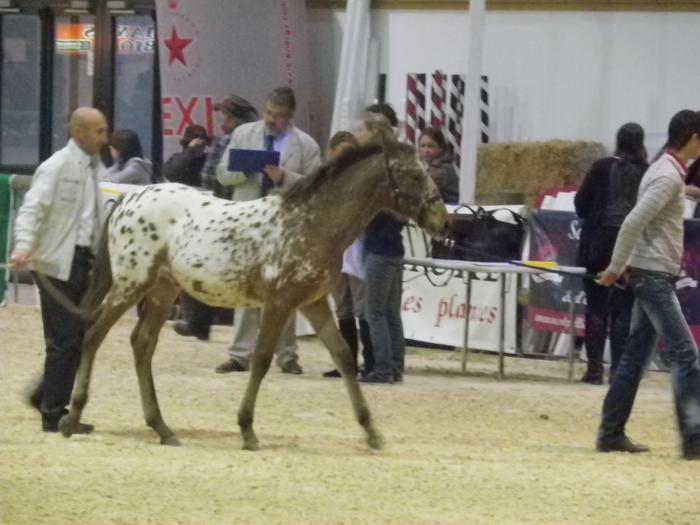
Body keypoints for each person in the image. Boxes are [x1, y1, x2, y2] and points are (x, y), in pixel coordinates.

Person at [595, 109, 700, 459]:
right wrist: (614, 267)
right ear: (693, 137)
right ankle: (694, 439)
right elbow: (632, 223)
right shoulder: (667, 176)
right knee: (686, 355)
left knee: (633, 358)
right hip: (653, 277)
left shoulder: (666, 171)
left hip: (651, 273)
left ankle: (610, 433)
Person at [11, 107, 108, 433]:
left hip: (81, 262)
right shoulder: (55, 167)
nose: (104, 137)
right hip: (55, 263)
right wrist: (23, 245)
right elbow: (31, 209)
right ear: (79, 133)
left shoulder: (96, 168)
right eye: (98, 131)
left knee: (75, 337)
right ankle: (54, 413)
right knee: (65, 339)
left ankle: (44, 396)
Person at [214, 86, 321, 375]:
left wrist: (285, 176)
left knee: (284, 293)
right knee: (246, 286)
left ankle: (286, 354)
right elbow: (222, 173)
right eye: (269, 113)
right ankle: (240, 354)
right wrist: (246, 169)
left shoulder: (306, 145)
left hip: (284, 227)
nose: (272, 120)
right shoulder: (244, 134)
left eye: (280, 116)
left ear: (291, 116)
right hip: (248, 220)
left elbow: (316, 189)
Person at [172, 95, 258, 341]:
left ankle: (199, 320)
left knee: (198, 260)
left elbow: (211, 177)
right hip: (237, 206)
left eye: (227, 116)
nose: (223, 121)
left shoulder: (228, 141)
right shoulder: (253, 138)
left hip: (223, 207)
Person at [575, 123, 648, 385]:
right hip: (631, 248)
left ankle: (594, 370)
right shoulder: (647, 172)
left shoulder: (601, 167)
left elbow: (581, 205)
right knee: (623, 310)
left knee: (595, 306)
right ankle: (619, 371)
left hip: (597, 244)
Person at [356, 113, 408, 385]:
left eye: (361, 131)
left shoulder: (378, 169)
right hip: (394, 247)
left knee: (373, 311)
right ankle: (396, 367)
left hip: (378, 246)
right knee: (390, 312)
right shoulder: (399, 165)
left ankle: (384, 368)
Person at [321, 131, 375, 379]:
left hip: (356, 249)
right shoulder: (325, 180)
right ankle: (347, 361)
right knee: (342, 308)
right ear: (331, 153)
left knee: (363, 308)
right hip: (334, 251)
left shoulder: (363, 181)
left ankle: (372, 361)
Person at [201, 94, 259, 199]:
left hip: (224, 203)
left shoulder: (225, 141)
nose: (221, 120)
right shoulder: (258, 140)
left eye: (224, 114)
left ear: (235, 118)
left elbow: (208, 179)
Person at [418, 126, 459, 204]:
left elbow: (424, 191)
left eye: (431, 146)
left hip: (447, 212)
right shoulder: (432, 164)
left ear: (441, 148)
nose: (426, 150)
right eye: (422, 146)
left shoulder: (443, 167)